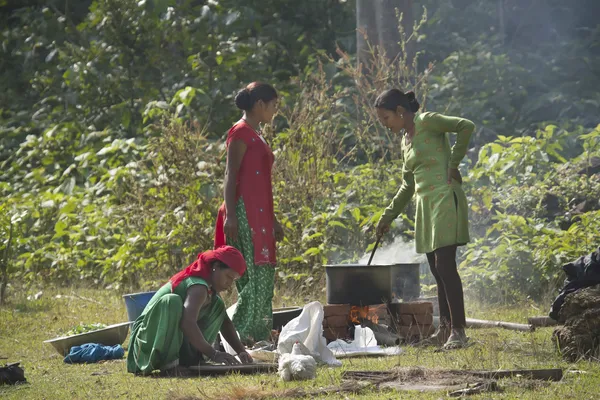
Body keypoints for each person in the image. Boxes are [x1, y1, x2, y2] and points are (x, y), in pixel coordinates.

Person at [374, 89, 475, 349]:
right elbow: (408, 185)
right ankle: (445, 330)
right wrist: (387, 216)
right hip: (425, 207)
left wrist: (453, 163)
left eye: (386, 118)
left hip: (444, 197)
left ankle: (459, 331)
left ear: (399, 111)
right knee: (436, 271)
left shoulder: (427, 121)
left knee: (445, 266)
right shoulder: (405, 141)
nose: (385, 125)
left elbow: (465, 126)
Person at [214, 82, 284, 345]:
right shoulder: (240, 133)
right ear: (259, 105)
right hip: (243, 212)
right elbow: (231, 176)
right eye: (273, 106)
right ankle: (237, 338)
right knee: (251, 277)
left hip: (261, 215)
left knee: (264, 275)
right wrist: (230, 215)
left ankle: (260, 336)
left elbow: (263, 183)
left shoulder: (257, 133)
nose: (275, 111)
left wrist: (273, 219)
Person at [126, 246, 253, 376]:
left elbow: (225, 323)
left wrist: (241, 351)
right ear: (215, 267)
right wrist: (213, 353)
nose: (229, 283)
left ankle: (194, 359)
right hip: (144, 345)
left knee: (218, 305)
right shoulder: (197, 286)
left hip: (175, 343)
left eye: (233, 280)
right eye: (228, 276)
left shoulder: (210, 291)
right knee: (172, 301)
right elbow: (188, 323)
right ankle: (169, 365)